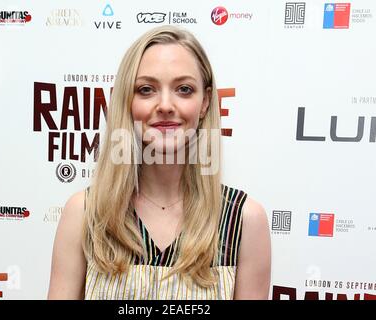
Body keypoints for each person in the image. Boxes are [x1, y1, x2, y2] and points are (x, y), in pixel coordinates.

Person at [47, 25, 271, 300]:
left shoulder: (245, 220)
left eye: (184, 89)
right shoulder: (85, 214)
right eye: (146, 89)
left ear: (205, 103)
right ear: (126, 102)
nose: (165, 104)